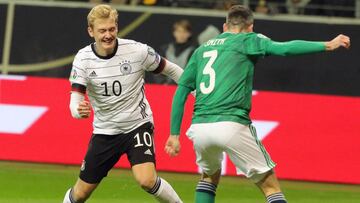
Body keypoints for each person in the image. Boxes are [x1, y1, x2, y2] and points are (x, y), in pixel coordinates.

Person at [164, 5, 350, 203]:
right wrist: (327, 45)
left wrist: (174, 134)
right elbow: (285, 48)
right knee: (270, 185)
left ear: (225, 25)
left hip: (199, 127)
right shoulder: (249, 39)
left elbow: (181, 91)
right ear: (250, 26)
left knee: (209, 176)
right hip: (231, 123)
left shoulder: (202, 49)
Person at [63, 4, 184, 203]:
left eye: (112, 29)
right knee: (81, 193)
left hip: (137, 125)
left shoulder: (138, 51)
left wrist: (197, 91)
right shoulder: (83, 59)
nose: (108, 35)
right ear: (90, 31)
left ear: (117, 28)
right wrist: (79, 111)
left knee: (147, 180)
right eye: (102, 30)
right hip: (105, 132)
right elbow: (74, 102)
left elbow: (172, 70)